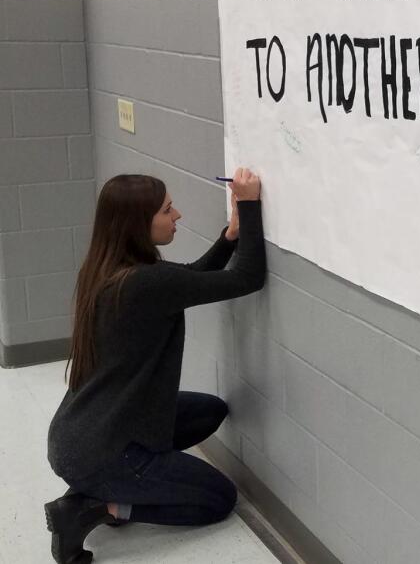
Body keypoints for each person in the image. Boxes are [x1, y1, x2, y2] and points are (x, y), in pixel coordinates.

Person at [43, 168, 266, 564]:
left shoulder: (109, 271)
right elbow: (248, 278)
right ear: (137, 225)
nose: (177, 215)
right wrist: (249, 205)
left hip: (80, 435)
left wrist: (230, 236)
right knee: (218, 498)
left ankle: (108, 485)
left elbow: (190, 278)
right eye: (167, 210)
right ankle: (98, 508)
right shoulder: (146, 283)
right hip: (102, 450)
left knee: (210, 412)